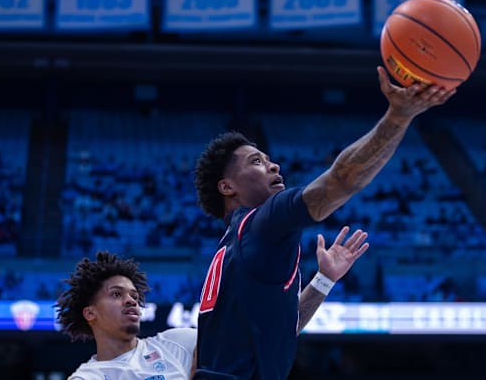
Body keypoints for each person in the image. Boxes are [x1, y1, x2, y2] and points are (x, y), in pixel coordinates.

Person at [192, 66, 455, 379]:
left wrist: (324, 280)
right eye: (256, 162)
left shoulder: (235, 244)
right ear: (227, 187)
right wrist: (399, 116)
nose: (273, 164)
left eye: (266, 158)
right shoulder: (264, 222)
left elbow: (282, 330)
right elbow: (342, 179)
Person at [56, 251, 197, 379]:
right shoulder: (87, 377)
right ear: (90, 313)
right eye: (116, 294)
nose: (131, 300)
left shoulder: (179, 343)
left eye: (134, 296)